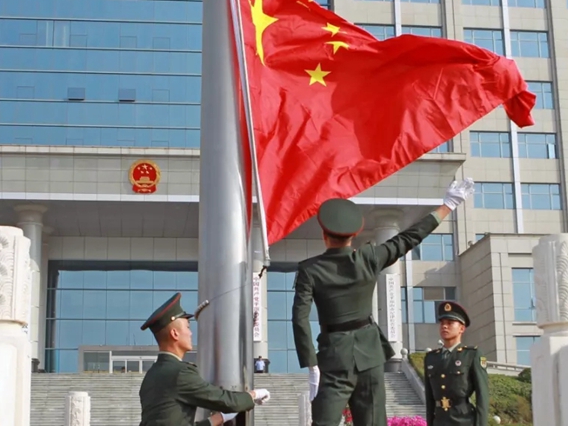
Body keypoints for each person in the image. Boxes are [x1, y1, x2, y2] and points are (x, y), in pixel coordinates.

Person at [292, 179, 475, 426]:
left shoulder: (310, 270)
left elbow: (300, 318)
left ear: (324, 235)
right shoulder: (369, 258)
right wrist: (448, 205)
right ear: (354, 235)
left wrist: (311, 364)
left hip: (334, 357)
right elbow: (409, 238)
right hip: (370, 353)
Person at [139, 292, 271, 426]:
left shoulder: (151, 376)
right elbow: (228, 401)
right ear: (175, 333)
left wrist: (219, 418)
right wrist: (254, 395)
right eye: (188, 327)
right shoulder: (180, 373)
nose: (190, 333)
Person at [423, 301, 489, 426]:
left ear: (461, 328)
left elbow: (482, 396)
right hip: (440, 421)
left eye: (450, 323)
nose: (444, 326)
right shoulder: (431, 358)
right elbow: (429, 399)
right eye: (442, 323)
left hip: (464, 420)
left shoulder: (471, 355)